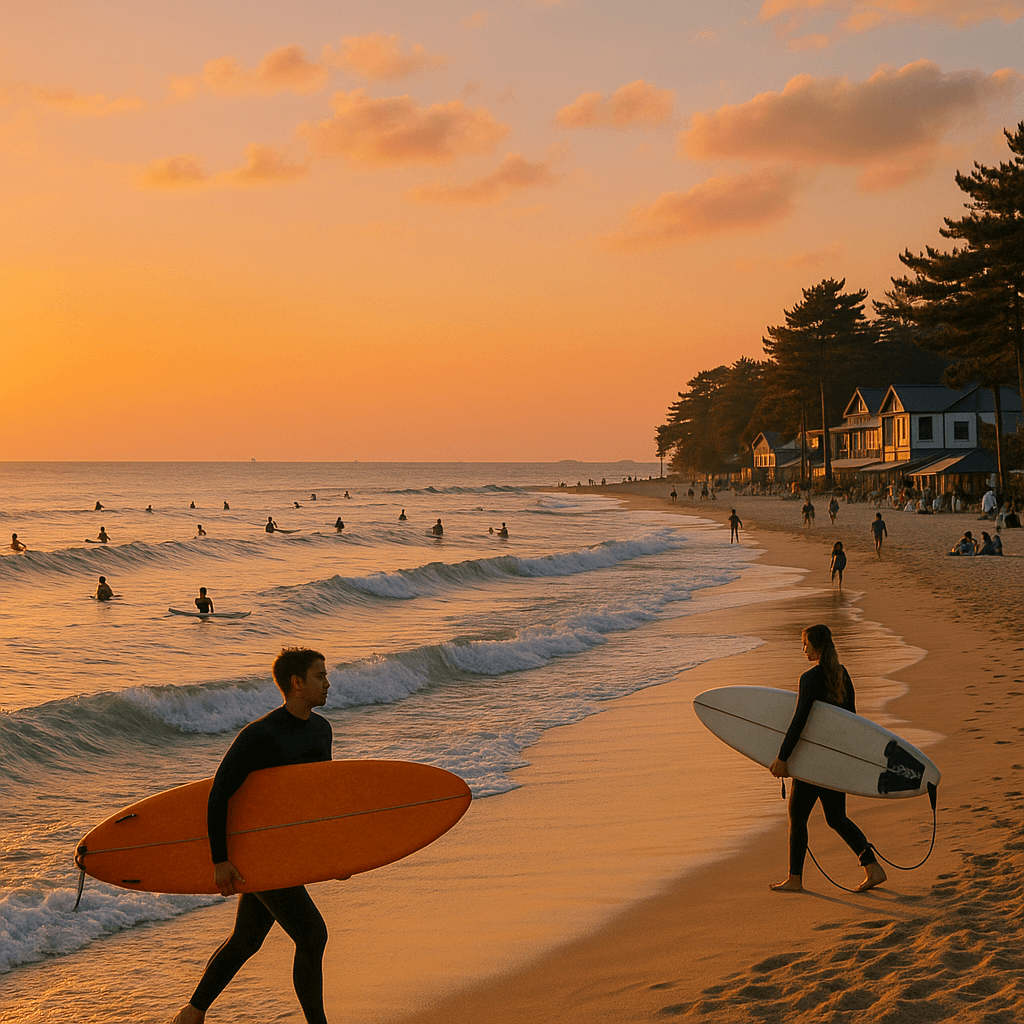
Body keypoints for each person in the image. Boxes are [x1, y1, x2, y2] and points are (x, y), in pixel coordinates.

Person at [171, 648, 333, 1024]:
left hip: (286, 851)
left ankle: (191, 1014)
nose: (328, 683)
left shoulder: (321, 729)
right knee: (312, 935)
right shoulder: (259, 735)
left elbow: (318, 801)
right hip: (256, 852)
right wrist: (220, 860)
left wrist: (333, 856)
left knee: (246, 939)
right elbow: (219, 795)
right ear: (297, 683)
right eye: (320, 676)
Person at [768, 625, 886, 894]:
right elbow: (853, 720)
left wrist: (783, 758)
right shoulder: (842, 674)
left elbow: (799, 721)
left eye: (805, 643)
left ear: (817, 645)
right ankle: (872, 867)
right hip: (836, 759)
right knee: (836, 818)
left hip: (814, 762)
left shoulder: (810, 678)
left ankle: (795, 879)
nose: (803, 648)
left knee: (798, 818)